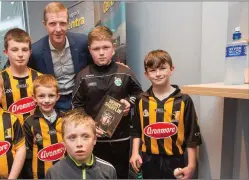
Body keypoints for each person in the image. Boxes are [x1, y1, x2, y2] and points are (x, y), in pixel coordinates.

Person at [72, 26, 143, 178]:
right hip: (94, 140)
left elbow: (140, 95)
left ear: (113, 47)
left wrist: (129, 102)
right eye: (96, 49)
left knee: (120, 175)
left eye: (106, 47)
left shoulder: (125, 72)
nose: (101, 52)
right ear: (90, 50)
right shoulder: (83, 76)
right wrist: (89, 124)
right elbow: (76, 106)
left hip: (121, 138)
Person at [129, 49, 202, 179]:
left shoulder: (184, 100)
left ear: (171, 69)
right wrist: (135, 153)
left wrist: (192, 165)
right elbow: (136, 131)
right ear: (146, 74)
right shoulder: (141, 99)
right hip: (148, 160)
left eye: (162, 68)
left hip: (176, 159)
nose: (158, 74)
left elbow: (192, 135)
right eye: (152, 70)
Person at [28, 2, 93, 112]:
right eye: (52, 24)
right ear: (45, 24)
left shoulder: (82, 42)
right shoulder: (35, 51)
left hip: (80, 100)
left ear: (68, 23)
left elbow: (98, 61)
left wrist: (115, 65)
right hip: (52, 104)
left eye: (62, 23)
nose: (58, 29)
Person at [45, 109, 117, 179]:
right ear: (64, 142)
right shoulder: (53, 173)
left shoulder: (108, 171)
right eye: (72, 137)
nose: (79, 144)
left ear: (94, 139)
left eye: (85, 137)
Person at [23, 74, 65, 179]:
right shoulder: (29, 123)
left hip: (65, 174)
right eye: (41, 96)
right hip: (40, 175)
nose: (46, 100)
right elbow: (27, 154)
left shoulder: (66, 119)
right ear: (34, 97)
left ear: (57, 96)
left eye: (51, 96)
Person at [0, 28, 42, 122]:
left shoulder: (41, 79)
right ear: (6, 52)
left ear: (30, 53)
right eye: (14, 50)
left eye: (25, 50)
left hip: (36, 134)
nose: (20, 54)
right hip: (10, 135)